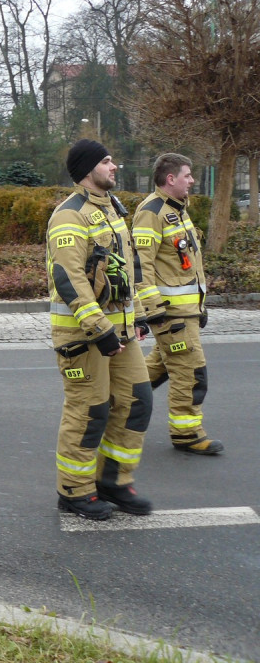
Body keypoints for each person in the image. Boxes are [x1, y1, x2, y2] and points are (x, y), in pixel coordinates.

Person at [47, 139, 153, 520]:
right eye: (106, 161)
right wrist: (99, 328)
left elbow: (127, 269)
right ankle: (74, 491)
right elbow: (68, 277)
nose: (114, 166)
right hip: (84, 337)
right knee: (89, 412)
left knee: (137, 401)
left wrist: (138, 315)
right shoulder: (69, 215)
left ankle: (114, 482)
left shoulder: (112, 211)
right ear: (87, 169)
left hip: (120, 332)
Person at [133, 153, 224, 456]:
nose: (192, 181)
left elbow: (185, 266)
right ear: (170, 179)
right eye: (187, 175)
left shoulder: (177, 210)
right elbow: (140, 267)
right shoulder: (152, 211)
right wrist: (153, 311)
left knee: (156, 370)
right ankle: (187, 434)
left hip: (184, 314)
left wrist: (199, 308)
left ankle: (115, 405)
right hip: (170, 316)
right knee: (191, 373)